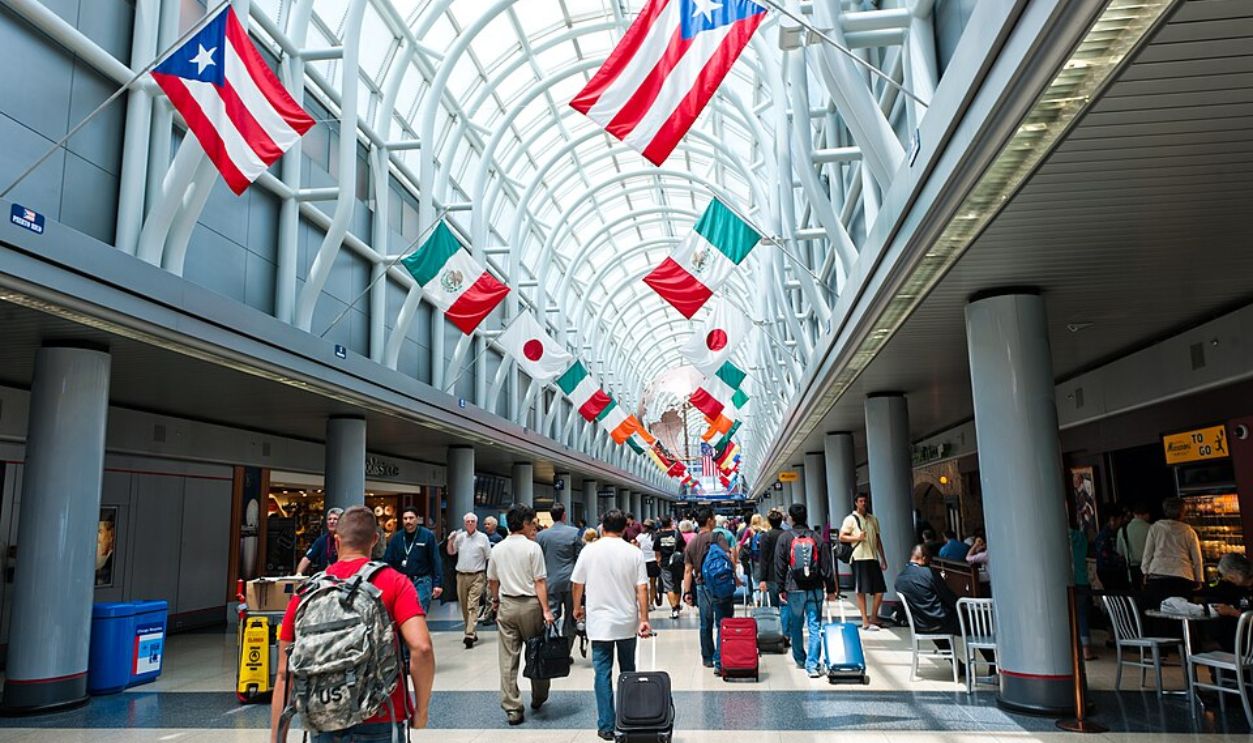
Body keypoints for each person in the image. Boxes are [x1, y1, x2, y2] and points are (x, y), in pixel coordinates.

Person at [270, 506, 434, 742]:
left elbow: (285, 674)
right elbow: (422, 648)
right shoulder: (396, 582)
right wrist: (421, 711)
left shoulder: (307, 592)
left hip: (324, 716)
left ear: (336, 541)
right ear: (375, 540)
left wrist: (278, 738)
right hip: (383, 715)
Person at [571, 509, 651, 741]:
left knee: (602, 674)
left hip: (599, 623)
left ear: (602, 526)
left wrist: (577, 607)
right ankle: (629, 718)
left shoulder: (590, 550)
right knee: (628, 671)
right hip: (626, 621)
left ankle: (606, 725)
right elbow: (642, 587)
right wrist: (644, 619)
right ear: (625, 528)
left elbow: (577, 582)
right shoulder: (633, 552)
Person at [487, 504, 554, 726]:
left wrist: (496, 601)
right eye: (532, 522)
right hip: (531, 606)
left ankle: (513, 708)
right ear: (524, 524)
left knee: (507, 658)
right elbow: (540, 581)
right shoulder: (532, 548)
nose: (534, 526)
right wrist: (546, 610)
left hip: (507, 605)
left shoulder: (497, 549)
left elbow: (492, 580)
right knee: (536, 652)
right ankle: (539, 697)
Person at [893, 544, 994, 675]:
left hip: (920, 624)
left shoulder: (899, 579)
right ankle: (991, 663)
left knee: (935, 624)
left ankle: (957, 666)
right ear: (923, 558)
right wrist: (962, 607)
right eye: (929, 560)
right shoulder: (929, 574)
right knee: (975, 624)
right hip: (940, 621)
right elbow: (949, 598)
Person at [774, 503, 838, 677]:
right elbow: (826, 565)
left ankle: (800, 659)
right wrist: (831, 588)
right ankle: (812, 664)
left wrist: (780, 588)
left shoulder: (785, 538)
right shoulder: (816, 538)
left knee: (796, 625)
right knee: (814, 626)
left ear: (791, 518)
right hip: (815, 587)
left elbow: (779, 566)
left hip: (794, 588)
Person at [683, 506, 736, 675]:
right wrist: (735, 576)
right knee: (723, 622)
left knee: (705, 624)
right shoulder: (717, 536)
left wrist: (687, 592)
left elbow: (687, 570)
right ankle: (720, 660)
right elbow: (728, 558)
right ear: (709, 520)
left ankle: (707, 658)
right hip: (719, 585)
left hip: (701, 586)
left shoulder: (692, 543)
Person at [536, 501, 584, 652]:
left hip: (550, 582)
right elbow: (579, 558)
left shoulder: (541, 536)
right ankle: (566, 651)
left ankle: (551, 648)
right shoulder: (575, 532)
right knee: (571, 617)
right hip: (571, 582)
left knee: (551, 616)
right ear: (564, 515)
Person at [1141, 497, 1203, 606]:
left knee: (1159, 611)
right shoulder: (1189, 531)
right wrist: (1199, 578)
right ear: (1182, 512)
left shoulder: (1155, 528)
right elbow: (1197, 559)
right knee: (1182, 613)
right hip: (1182, 575)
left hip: (1158, 574)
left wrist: (1145, 571)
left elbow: (1148, 553)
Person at [839, 494, 888, 631]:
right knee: (861, 589)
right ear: (856, 503)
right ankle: (864, 620)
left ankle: (873, 616)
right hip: (859, 557)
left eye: (865, 501)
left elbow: (878, 539)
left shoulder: (873, 519)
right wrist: (857, 537)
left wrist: (883, 558)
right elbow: (841, 537)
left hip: (872, 557)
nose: (863, 503)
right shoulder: (850, 519)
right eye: (860, 501)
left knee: (880, 589)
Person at [383, 507, 443, 613]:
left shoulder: (427, 536)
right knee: (402, 612)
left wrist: (437, 584)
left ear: (417, 519)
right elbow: (388, 561)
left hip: (422, 581)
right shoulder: (397, 537)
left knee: (419, 611)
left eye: (411, 518)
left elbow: (435, 560)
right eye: (405, 519)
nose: (408, 521)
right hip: (402, 581)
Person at [447, 512, 493, 649]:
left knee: (473, 605)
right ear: (464, 523)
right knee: (464, 606)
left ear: (476, 523)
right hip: (461, 575)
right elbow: (451, 552)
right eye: (467, 522)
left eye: (472, 521)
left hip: (477, 575)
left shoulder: (483, 538)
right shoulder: (460, 538)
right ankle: (471, 630)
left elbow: (489, 557)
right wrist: (450, 540)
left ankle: (469, 634)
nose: (470, 524)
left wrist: (490, 576)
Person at [1203, 553, 1253, 653]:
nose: (1226, 579)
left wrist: (1233, 612)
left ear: (1236, 573)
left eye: (1228, 576)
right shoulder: (1240, 589)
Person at [756, 509, 789, 640]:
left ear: (769, 521)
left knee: (774, 605)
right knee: (785, 604)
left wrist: (762, 578)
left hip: (771, 574)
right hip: (786, 573)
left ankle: (777, 632)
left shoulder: (766, 536)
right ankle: (786, 632)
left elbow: (763, 558)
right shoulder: (787, 535)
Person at [1069, 520, 1097, 660]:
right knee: (1081, 614)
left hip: (1064, 580)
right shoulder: (1080, 537)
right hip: (1081, 579)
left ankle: (1070, 647)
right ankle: (1086, 649)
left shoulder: (1053, 537)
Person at [654, 516, 687, 620]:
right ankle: (677, 605)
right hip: (678, 563)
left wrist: (659, 561)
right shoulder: (677, 534)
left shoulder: (659, 536)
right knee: (677, 584)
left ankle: (674, 609)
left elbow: (657, 551)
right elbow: (684, 548)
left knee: (669, 586)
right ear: (670, 522)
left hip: (665, 564)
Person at [296, 508, 343, 575]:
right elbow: (307, 558)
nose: (332, 521)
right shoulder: (322, 540)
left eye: (335, 519)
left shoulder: (347, 540)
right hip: (324, 579)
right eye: (329, 519)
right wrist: (298, 574)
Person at [1093, 508, 1130, 593]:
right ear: (1113, 520)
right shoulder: (1105, 536)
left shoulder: (1111, 534)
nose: (1121, 522)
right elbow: (1105, 556)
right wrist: (1119, 559)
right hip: (1110, 572)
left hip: (1110, 572)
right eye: (1120, 519)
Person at [1116, 502, 1152, 587]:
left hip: (1132, 571)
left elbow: (1120, 552)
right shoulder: (1152, 529)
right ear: (1146, 514)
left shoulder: (1122, 530)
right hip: (1149, 570)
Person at [634, 519, 661, 607]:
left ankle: (643, 603)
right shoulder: (656, 536)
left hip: (643, 562)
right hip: (653, 561)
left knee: (642, 583)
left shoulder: (640, 537)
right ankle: (651, 603)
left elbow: (636, 548)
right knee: (653, 584)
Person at [739, 514, 767, 592]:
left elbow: (741, 543)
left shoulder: (750, 530)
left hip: (755, 557)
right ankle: (766, 596)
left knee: (756, 577)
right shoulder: (765, 530)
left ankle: (757, 597)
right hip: (766, 557)